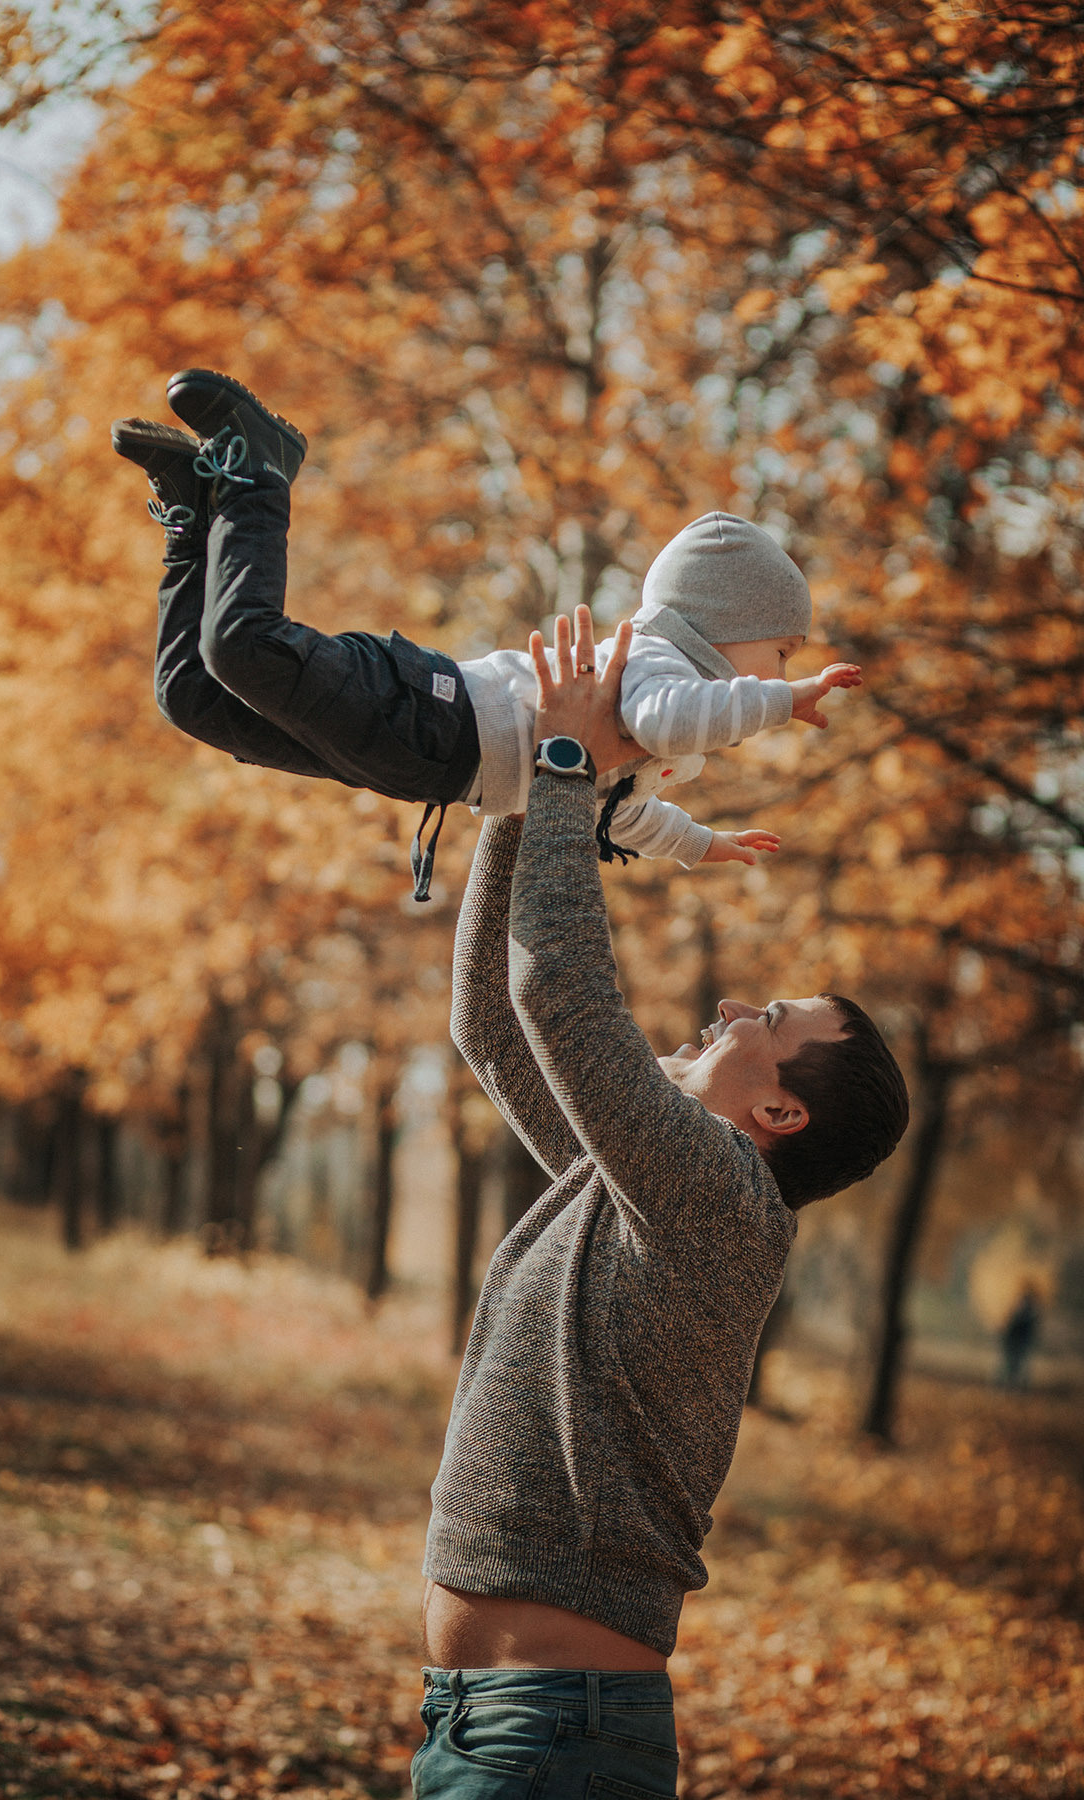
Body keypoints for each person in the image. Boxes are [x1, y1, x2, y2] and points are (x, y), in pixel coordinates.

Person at [411, 606, 909, 1797]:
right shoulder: (639, 1192)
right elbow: (494, 1022)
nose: (737, 1010)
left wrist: (571, 766)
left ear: (781, 1115)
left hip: (551, 1737)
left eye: (770, 1024)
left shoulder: (719, 1203)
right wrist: (518, 784)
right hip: (497, 1724)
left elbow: (565, 1000)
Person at [112, 369, 862, 896]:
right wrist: (781, 697)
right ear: (727, 623)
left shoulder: (660, 718)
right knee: (242, 649)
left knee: (191, 697)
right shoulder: (656, 662)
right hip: (432, 714)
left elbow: (625, 815)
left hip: (423, 764)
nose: (778, 664)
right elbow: (665, 721)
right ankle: (259, 474)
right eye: (780, 647)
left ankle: (195, 516)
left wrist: (703, 845)